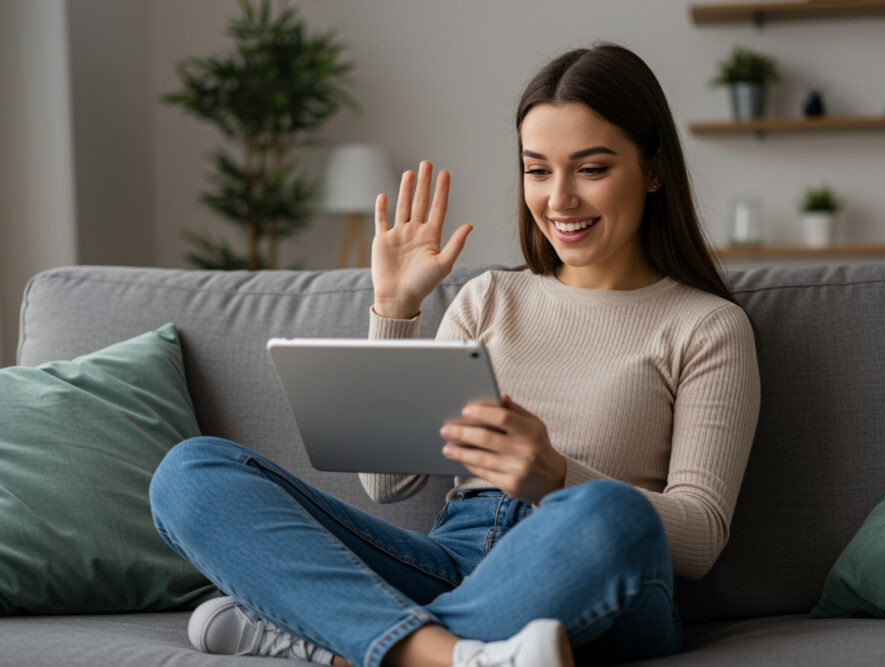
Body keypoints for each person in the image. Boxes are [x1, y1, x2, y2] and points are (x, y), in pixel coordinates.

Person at [150, 43, 760, 667]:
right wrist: (393, 309)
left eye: (592, 169)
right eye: (538, 170)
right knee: (190, 472)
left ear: (654, 169)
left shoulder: (707, 326)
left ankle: (345, 645)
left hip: (597, 570)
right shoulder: (488, 298)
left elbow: (700, 536)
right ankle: (456, 654)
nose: (559, 200)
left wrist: (556, 477)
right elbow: (387, 484)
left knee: (613, 513)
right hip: (453, 561)